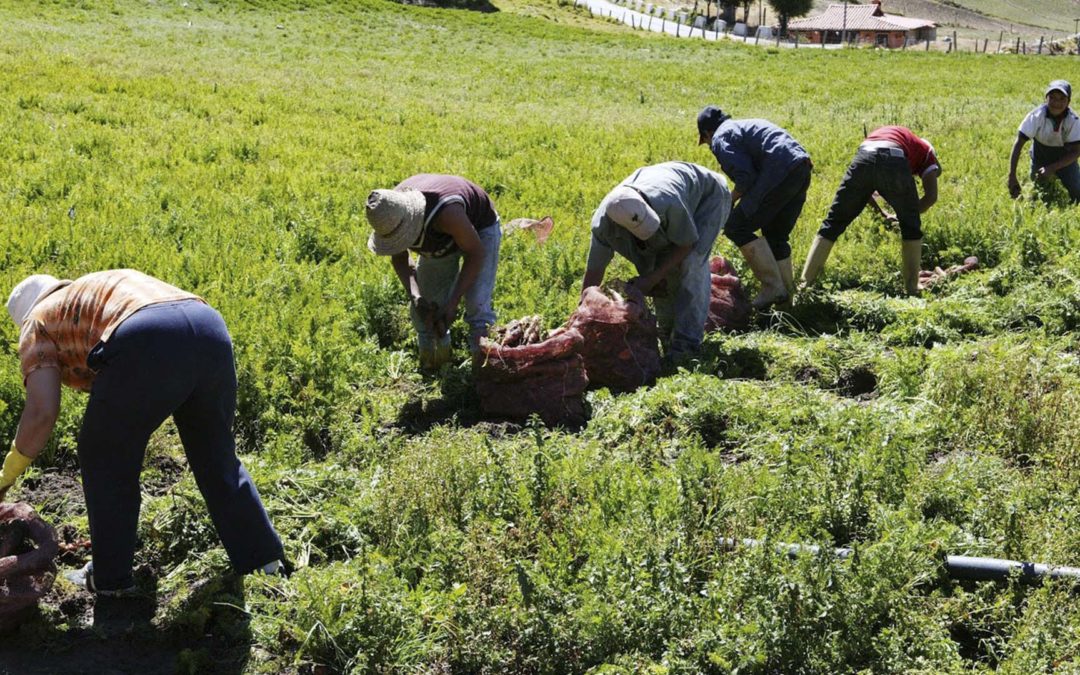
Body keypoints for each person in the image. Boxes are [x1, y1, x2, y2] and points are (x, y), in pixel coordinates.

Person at [0, 270, 285, 596]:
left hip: (146, 335)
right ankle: (265, 564)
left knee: (103, 454)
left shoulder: (37, 321)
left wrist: (6, 477)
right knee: (215, 455)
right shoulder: (86, 295)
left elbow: (41, 412)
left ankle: (110, 581)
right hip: (208, 326)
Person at [582, 161, 731, 363]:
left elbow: (686, 244)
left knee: (691, 262)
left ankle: (687, 344)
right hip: (667, 207)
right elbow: (593, 273)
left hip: (708, 198)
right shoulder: (603, 226)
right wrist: (583, 315)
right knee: (657, 268)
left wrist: (651, 279)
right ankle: (668, 335)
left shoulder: (668, 202)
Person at [365, 174, 501, 369]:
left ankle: (484, 373)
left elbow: (476, 253)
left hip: (479, 230)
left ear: (413, 223)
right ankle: (434, 363)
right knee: (428, 306)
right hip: (439, 240)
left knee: (477, 304)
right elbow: (400, 257)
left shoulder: (446, 213)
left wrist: (453, 303)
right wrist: (416, 296)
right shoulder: (388, 211)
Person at [800, 126, 941, 296]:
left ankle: (804, 285)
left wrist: (882, 214)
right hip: (893, 157)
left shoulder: (902, 138)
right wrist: (907, 215)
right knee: (911, 227)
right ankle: (912, 287)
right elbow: (931, 197)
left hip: (864, 156)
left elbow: (864, 190)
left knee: (832, 224)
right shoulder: (927, 154)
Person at [697, 105, 813, 309]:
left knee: (735, 226)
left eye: (705, 142)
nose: (709, 145)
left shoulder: (720, 138)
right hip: (800, 168)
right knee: (775, 235)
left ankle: (772, 287)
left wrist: (729, 201)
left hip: (778, 172)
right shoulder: (745, 125)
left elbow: (746, 178)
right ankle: (786, 298)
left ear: (707, 133)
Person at [1008, 80, 1080, 204]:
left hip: (1065, 162)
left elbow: (1076, 152)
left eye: (1062, 99)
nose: (1056, 103)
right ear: (1046, 98)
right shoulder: (1036, 116)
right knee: (1040, 195)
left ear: (1068, 102)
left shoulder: (1073, 120)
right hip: (1040, 159)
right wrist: (1012, 176)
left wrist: (1052, 168)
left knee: (1077, 193)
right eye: (1052, 98)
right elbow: (1019, 143)